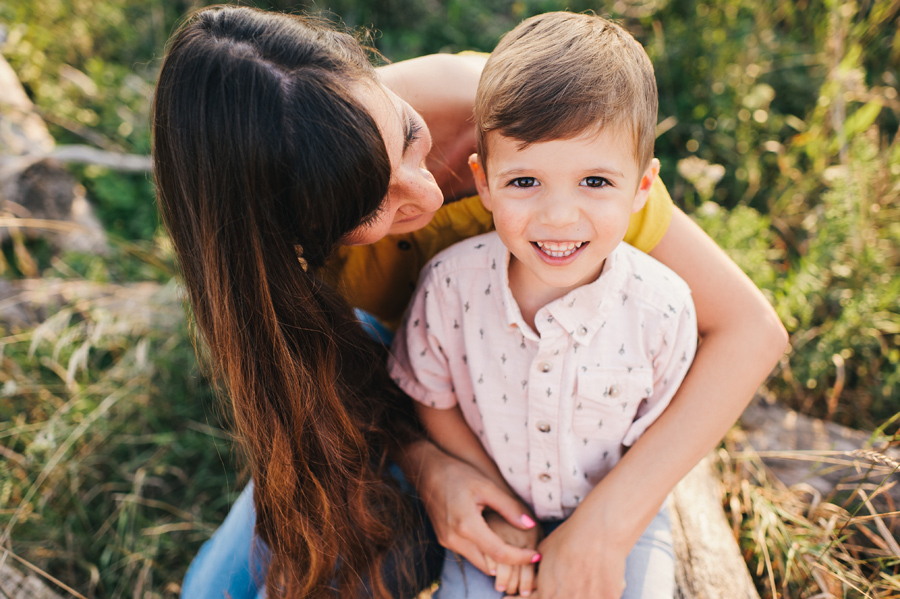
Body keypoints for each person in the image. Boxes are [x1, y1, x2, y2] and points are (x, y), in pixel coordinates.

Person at [151, 6, 787, 599]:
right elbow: (334, 383)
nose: (427, 196)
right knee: (214, 586)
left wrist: (609, 525)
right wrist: (432, 469)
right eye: (378, 206)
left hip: (511, 418)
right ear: (299, 232)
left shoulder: (537, 119)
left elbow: (750, 330)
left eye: (406, 136)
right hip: (400, 388)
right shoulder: (279, 238)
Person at [388, 13, 696, 598]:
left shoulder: (662, 310)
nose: (558, 216)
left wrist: (601, 532)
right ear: (483, 183)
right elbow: (434, 399)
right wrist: (494, 499)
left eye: (596, 183)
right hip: (494, 510)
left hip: (620, 517)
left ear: (642, 189)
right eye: (525, 182)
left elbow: (655, 443)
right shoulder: (449, 287)